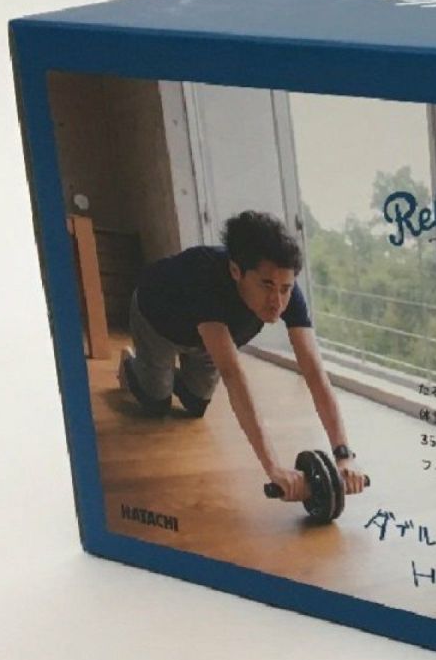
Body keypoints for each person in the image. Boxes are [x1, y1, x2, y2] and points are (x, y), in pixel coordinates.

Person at [117, 210, 367, 505]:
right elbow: (233, 374)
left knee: (195, 405)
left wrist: (343, 454)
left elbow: (314, 373)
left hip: (206, 339)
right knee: (155, 404)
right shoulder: (204, 277)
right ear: (236, 271)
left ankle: (172, 375)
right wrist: (273, 468)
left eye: (285, 289)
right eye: (266, 286)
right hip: (158, 323)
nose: (277, 301)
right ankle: (130, 365)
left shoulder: (284, 289)